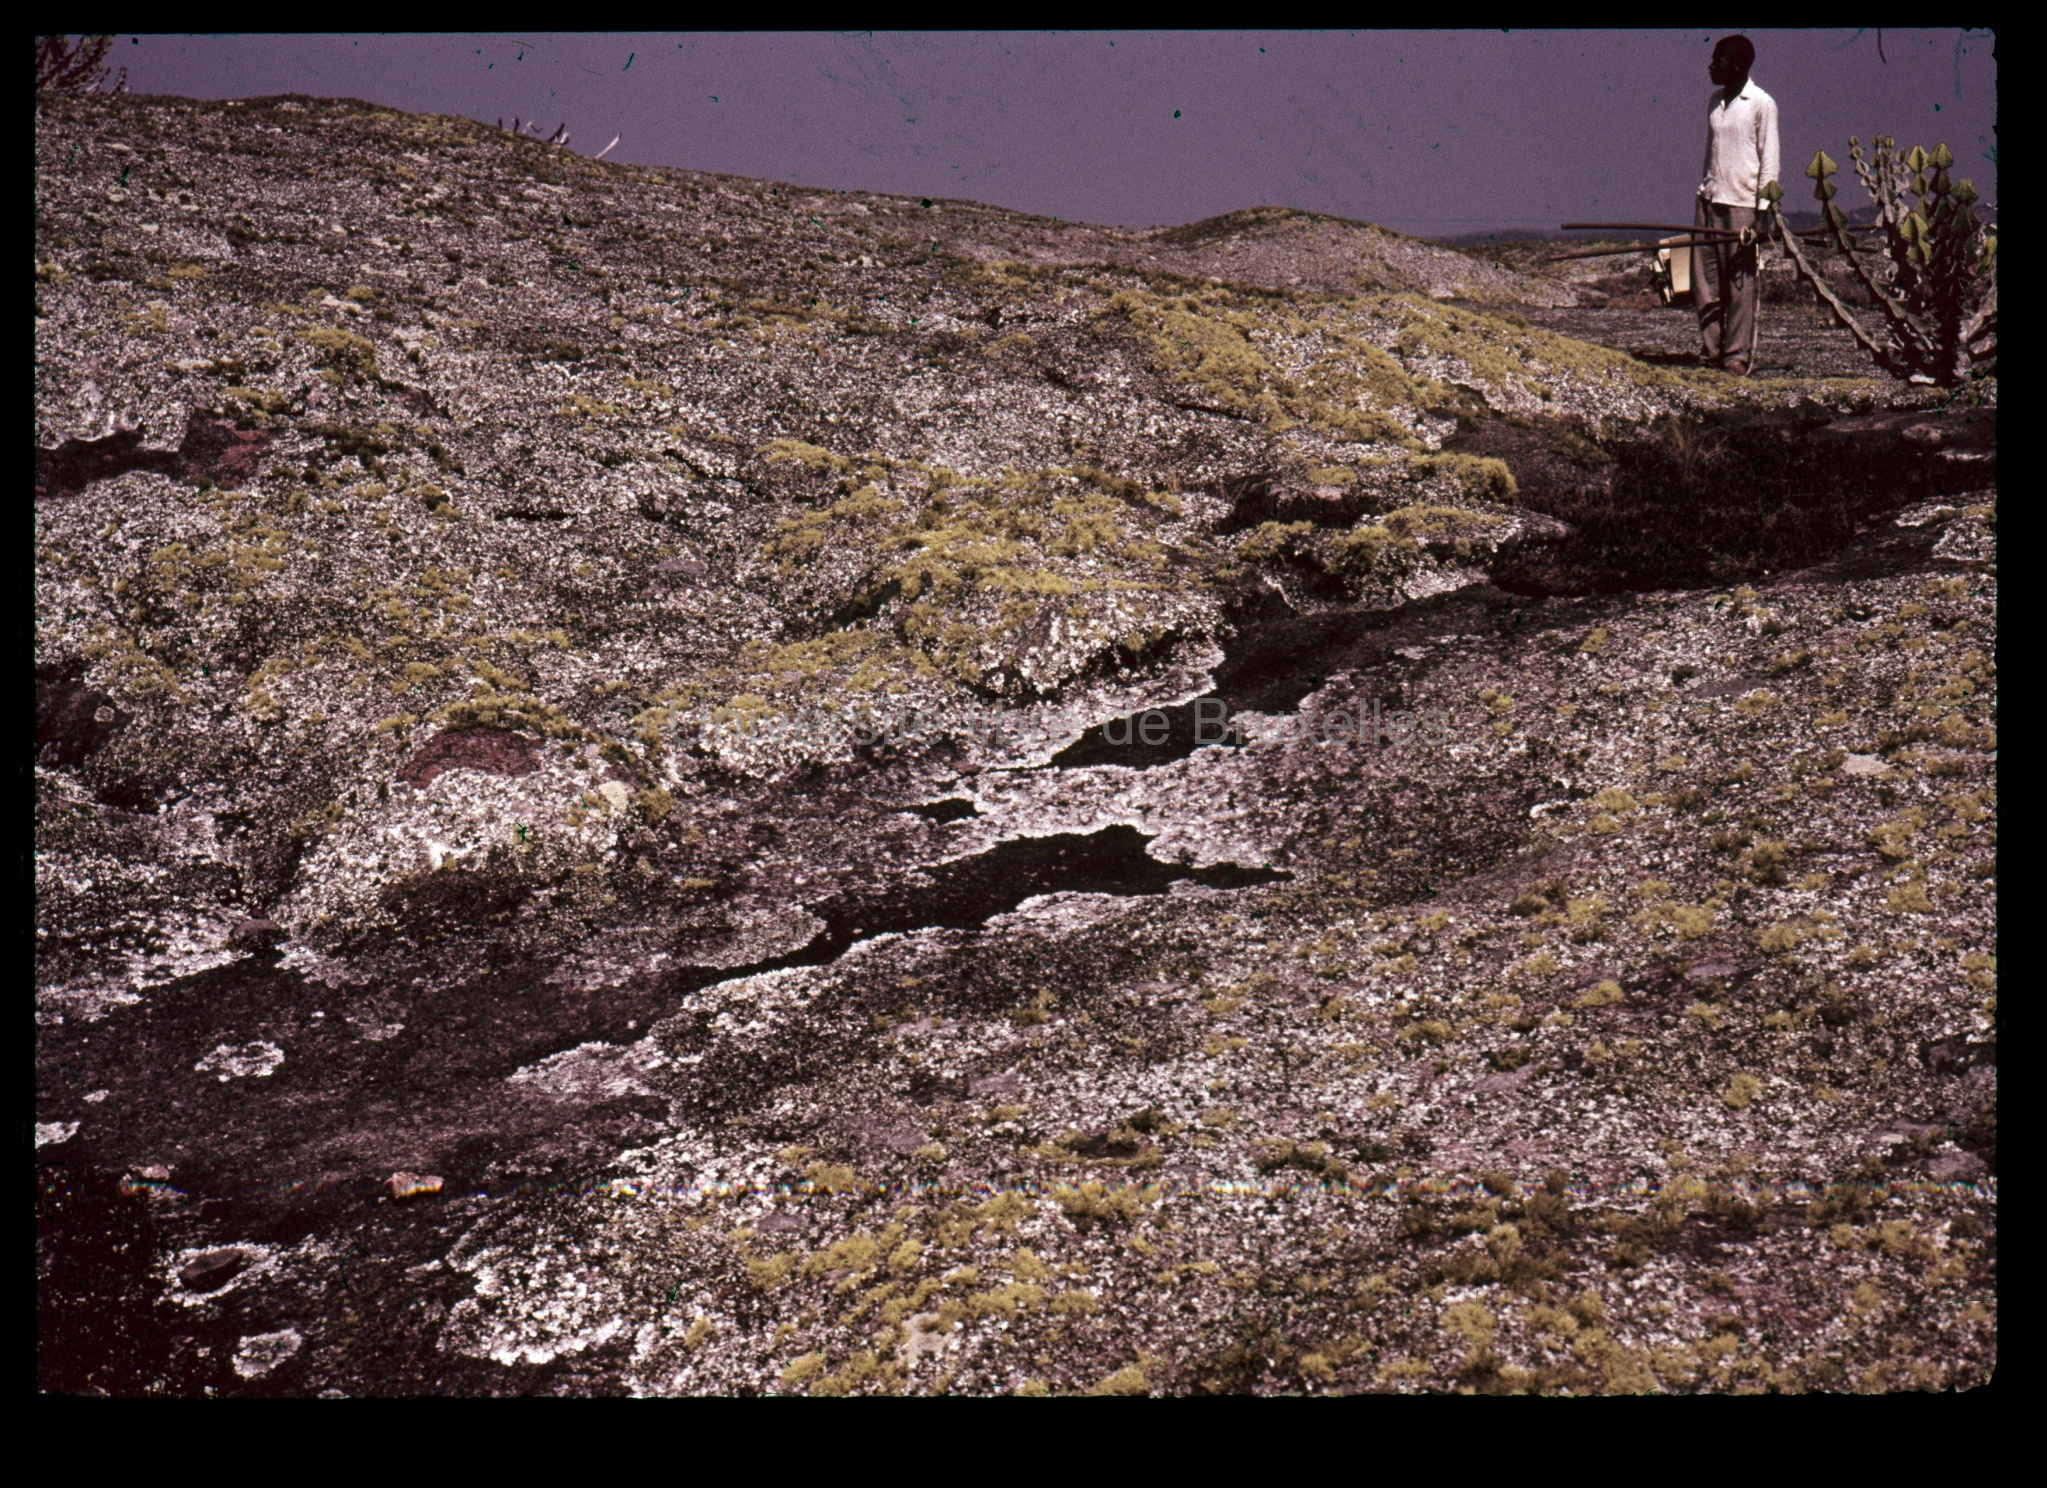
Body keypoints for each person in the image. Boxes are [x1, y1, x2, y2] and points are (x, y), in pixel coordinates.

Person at [1695, 35, 1780, 375]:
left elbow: (1769, 162)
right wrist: (1703, 190)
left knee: (1740, 284)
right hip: (1710, 199)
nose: (1712, 67)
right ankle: (1711, 349)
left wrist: (1763, 215)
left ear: (1739, 66)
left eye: (1719, 61)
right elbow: (1710, 152)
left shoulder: (1761, 103)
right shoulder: (1715, 101)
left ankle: (1735, 356)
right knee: (1706, 281)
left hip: (1743, 204)